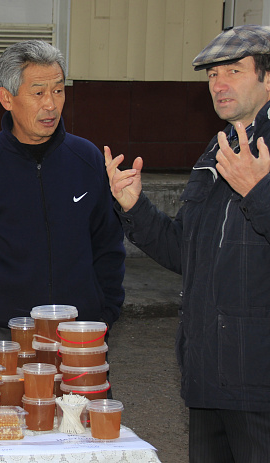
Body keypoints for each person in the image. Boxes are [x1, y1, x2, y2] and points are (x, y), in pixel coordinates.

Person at [105, 24, 270, 463]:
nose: (219, 84)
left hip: (259, 381)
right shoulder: (217, 150)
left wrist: (260, 194)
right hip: (208, 373)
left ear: (268, 78)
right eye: (213, 75)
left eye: (234, 71)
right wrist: (135, 206)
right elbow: (185, 252)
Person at [0, 40, 126, 344]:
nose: (51, 104)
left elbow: (108, 245)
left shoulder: (87, 159)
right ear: (6, 98)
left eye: (58, 91)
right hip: (2, 334)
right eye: (38, 93)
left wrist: (106, 311)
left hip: (79, 329)